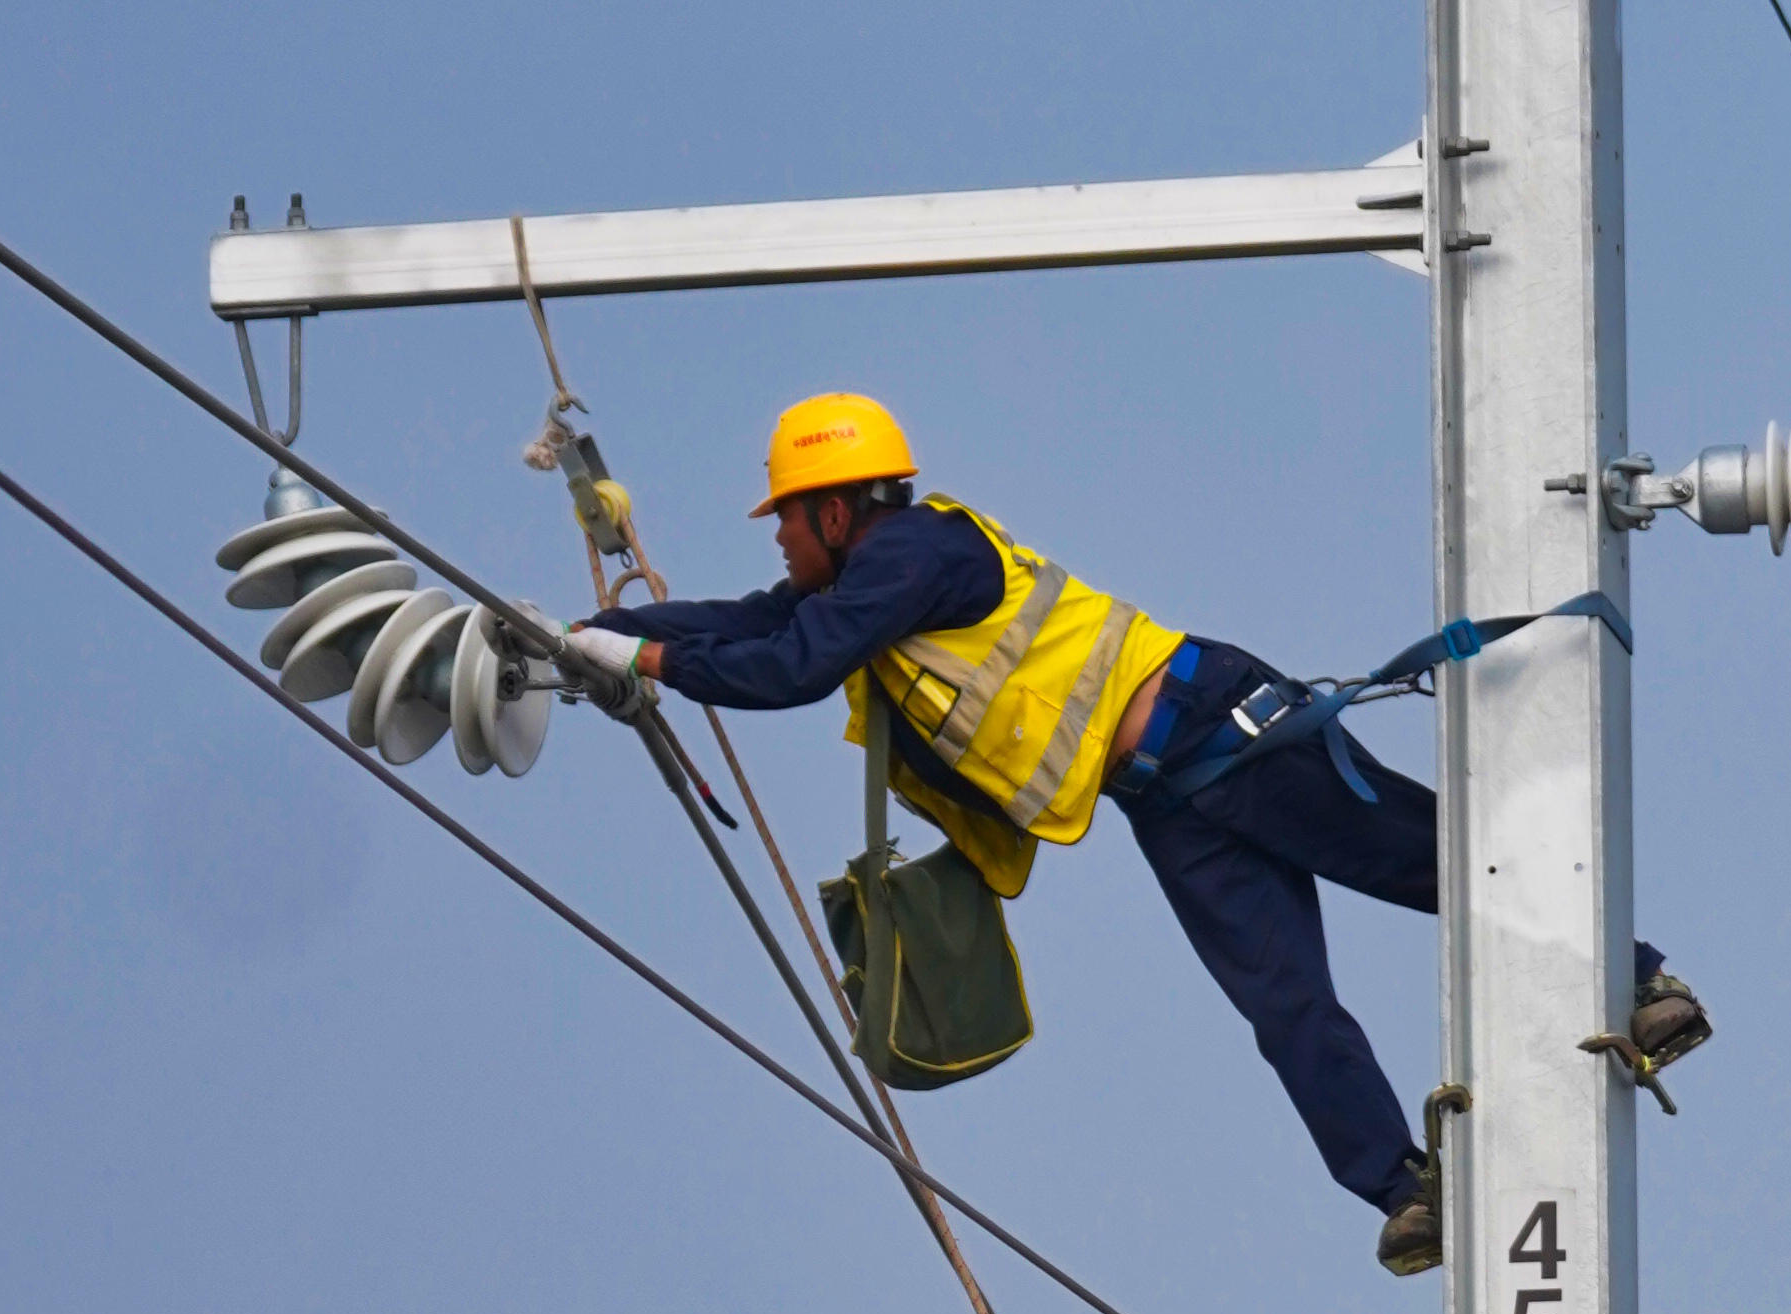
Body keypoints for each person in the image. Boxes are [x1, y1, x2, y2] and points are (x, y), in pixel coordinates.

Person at [570, 397, 1707, 1268]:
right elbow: (754, 622)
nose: (777, 541)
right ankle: (1406, 1190)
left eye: (784, 518)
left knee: (1438, 865)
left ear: (835, 509)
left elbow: (791, 666)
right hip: (1168, 796)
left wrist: (647, 658)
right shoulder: (865, 579)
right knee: (1283, 1005)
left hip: (1221, 726)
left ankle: (1641, 978)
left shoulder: (915, 555)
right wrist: (592, 635)